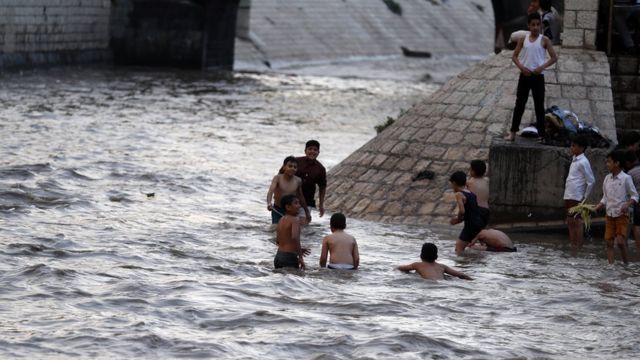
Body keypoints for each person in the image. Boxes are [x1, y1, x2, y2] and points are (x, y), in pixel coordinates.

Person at [505, 12, 558, 142]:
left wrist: (542, 67)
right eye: (533, 24)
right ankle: (513, 132)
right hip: (524, 75)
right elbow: (514, 56)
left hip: (538, 77)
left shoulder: (544, 40)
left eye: (537, 24)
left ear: (540, 25)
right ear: (528, 25)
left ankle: (541, 135)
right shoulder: (523, 39)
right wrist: (522, 67)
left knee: (539, 106)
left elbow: (554, 58)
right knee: (519, 105)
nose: (535, 27)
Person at [593, 150, 639, 264]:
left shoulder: (626, 178)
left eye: (609, 162)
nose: (607, 164)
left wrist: (627, 204)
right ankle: (611, 266)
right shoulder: (607, 179)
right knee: (609, 242)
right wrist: (597, 207)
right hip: (609, 214)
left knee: (620, 242)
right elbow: (605, 197)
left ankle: (626, 264)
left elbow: (635, 196)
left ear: (617, 163)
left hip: (621, 215)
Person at [563, 135, 596, 251]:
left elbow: (591, 181)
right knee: (570, 221)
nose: (571, 148)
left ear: (581, 148)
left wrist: (584, 198)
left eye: (574, 146)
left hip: (577, 195)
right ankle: (573, 245)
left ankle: (579, 246)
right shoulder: (575, 160)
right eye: (571, 145)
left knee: (577, 222)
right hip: (569, 194)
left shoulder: (583, 162)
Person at [449, 171, 487, 255]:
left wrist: (457, 219)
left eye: (451, 184)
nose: (452, 187)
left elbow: (462, 211)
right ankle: (489, 250)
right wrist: (459, 220)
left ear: (454, 183)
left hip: (471, 225)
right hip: (479, 223)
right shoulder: (472, 194)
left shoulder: (459, 194)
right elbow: (471, 212)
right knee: (471, 245)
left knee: (458, 249)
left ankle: (463, 266)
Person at [267, 156, 311, 225]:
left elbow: (301, 197)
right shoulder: (277, 178)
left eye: (295, 167)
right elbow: (270, 191)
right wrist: (269, 203)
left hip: (291, 211)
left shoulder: (298, 180)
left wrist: (307, 212)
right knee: (275, 229)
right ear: (284, 167)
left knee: (291, 229)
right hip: (277, 209)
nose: (292, 168)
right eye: (290, 166)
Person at [398, 243, 472, 281]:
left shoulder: (417, 265)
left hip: (429, 284)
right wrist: (471, 280)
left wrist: (395, 268)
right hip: (443, 283)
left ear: (421, 255)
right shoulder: (442, 266)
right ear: (436, 256)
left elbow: (402, 268)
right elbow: (461, 275)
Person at [296, 140, 327, 218]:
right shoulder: (296, 162)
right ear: (305, 151)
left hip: (307, 202)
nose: (312, 151)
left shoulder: (321, 169)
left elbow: (322, 187)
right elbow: (281, 176)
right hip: (290, 200)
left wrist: (321, 205)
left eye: (315, 150)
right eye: (310, 149)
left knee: (303, 227)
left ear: (318, 152)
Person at [274, 195, 306, 270]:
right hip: (289, 257)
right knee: (294, 280)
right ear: (288, 207)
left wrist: (298, 249)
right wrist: (300, 257)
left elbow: (278, 241)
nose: (299, 206)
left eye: (299, 203)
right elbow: (295, 237)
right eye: (296, 203)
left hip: (278, 257)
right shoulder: (295, 220)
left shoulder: (281, 219)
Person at [624, 150, 640, 255]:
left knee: (637, 225)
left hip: (638, 201)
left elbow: (629, 193)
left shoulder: (630, 173)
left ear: (628, 163)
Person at [467, 159, 490, 226]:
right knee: (481, 229)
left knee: (472, 230)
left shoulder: (469, 182)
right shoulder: (487, 181)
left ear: (473, 172)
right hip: (486, 210)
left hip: (475, 210)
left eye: (470, 169)